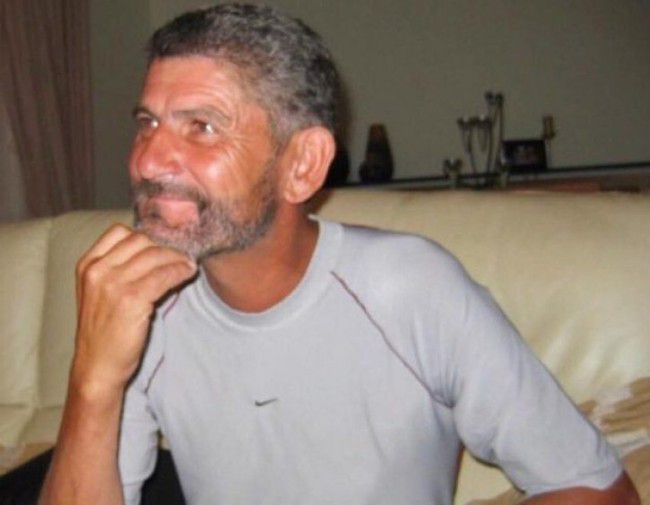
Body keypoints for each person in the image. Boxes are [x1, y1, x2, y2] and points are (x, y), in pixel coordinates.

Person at [39, 4, 639, 505]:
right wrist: (93, 378)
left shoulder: (411, 289)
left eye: (202, 127)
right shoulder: (138, 304)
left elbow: (597, 493)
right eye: (147, 123)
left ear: (302, 165)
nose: (148, 160)